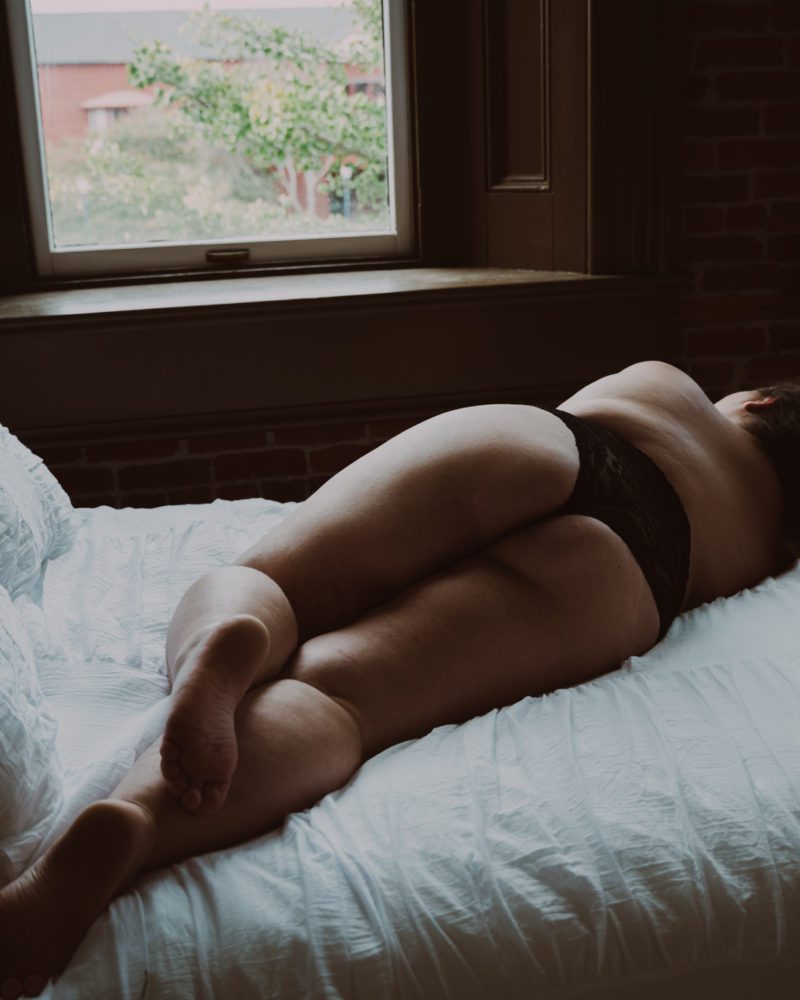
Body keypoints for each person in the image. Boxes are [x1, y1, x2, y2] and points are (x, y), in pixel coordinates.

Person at [0, 360, 796, 998]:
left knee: (274, 580)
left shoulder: (671, 387)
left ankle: (234, 638)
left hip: (551, 446)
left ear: (757, 403)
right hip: (638, 566)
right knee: (343, 702)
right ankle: (139, 820)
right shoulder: (768, 545)